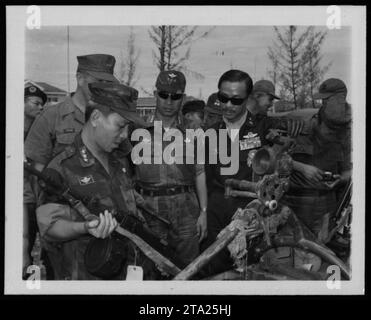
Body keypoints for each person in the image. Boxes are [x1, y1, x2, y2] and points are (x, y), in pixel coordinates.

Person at [35, 82, 153, 280]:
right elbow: (49, 227)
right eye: (120, 126)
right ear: (96, 118)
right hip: (87, 277)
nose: (125, 135)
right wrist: (85, 227)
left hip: (126, 272)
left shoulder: (119, 161)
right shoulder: (63, 167)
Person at [203, 69, 304, 276]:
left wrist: (288, 139)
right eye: (223, 98)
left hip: (251, 213)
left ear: (248, 98)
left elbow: (284, 157)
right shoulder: (210, 132)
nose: (228, 105)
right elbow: (204, 175)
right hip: (216, 211)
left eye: (236, 100)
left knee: (251, 271)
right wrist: (203, 212)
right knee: (214, 270)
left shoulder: (265, 128)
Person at [131, 70, 208, 270]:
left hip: (186, 210)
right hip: (149, 209)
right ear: (156, 94)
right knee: (149, 268)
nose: (169, 101)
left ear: (182, 98)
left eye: (175, 96)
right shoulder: (137, 131)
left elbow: (200, 173)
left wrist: (203, 212)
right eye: (164, 95)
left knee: (188, 269)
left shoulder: (192, 133)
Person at [283, 78, 352, 242]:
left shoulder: (349, 131)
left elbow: (349, 171)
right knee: (291, 253)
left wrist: (340, 179)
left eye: (327, 99)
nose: (323, 103)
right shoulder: (302, 123)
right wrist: (301, 167)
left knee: (319, 254)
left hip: (325, 206)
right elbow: (275, 159)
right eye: (323, 99)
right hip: (294, 202)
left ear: (341, 98)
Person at [24, 54, 119, 172]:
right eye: (99, 81)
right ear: (80, 79)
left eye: (108, 83)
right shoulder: (50, 117)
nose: (103, 87)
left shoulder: (113, 118)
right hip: (62, 189)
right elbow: (36, 172)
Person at [23, 85, 47, 278]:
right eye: (36, 103)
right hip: (23, 197)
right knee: (24, 244)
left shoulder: (42, 132)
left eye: (42, 104)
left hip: (39, 195)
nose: (40, 108)